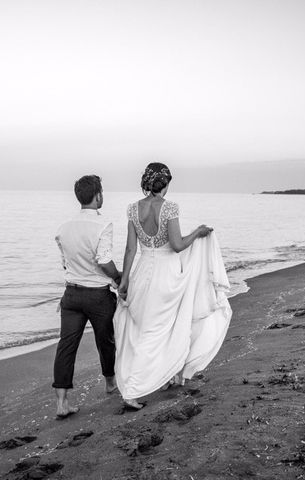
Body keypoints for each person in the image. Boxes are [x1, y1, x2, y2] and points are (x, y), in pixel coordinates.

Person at [114, 162, 232, 409]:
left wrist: (124, 282)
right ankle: (132, 390)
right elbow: (177, 245)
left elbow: (130, 249)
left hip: (142, 272)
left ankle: (165, 376)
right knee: (158, 331)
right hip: (165, 275)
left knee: (146, 328)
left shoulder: (133, 209)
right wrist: (198, 233)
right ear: (165, 183)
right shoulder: (170, 208)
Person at [53, 175, 122, 418]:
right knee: (106, 342)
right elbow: (104, 261)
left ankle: (62, 403)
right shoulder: (103, 225)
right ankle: (111, 383)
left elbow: (64, 264)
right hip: (97, 296)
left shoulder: (63, 228)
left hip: (71, 294)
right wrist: (119, 277)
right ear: (98, 195)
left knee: (66, 346)